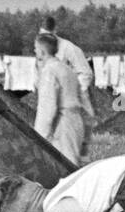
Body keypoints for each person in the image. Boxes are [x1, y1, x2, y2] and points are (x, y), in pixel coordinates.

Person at [32, 34, 87, 164]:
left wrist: (39, 137)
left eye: (35, 48)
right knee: (72, 162)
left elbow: (47, 106)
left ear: (42, 51)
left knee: (65, 166)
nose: (34, 51)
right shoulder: (67, 69)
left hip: (62, 124)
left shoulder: (49, 71)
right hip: (76, 120)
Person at [38, 17, 95, 122]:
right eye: (43, 34)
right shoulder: (40, 48)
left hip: (72, 98)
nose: (46, 37)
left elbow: (86, 73)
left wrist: (77, 91)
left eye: (49, 34)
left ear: (55, 31)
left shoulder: (69, 48)